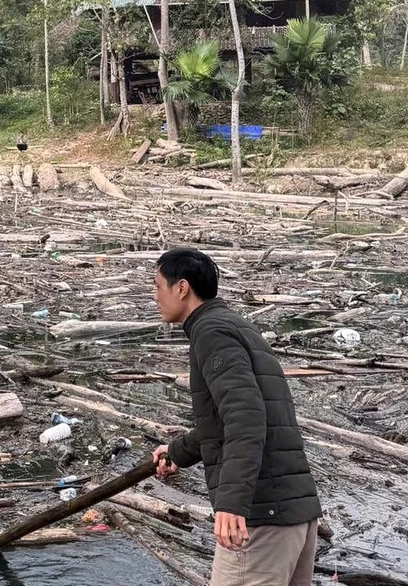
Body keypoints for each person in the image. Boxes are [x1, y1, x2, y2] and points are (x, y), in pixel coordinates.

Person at [149, 248, 321, 586]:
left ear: (181, 288)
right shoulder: (235, 327)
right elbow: (225, 422)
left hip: (260, 520)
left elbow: (246, 416)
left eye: (157, 287)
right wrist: (176, 452)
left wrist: (231, 503)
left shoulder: (211, 334)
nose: (154, 296)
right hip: (294, 514)